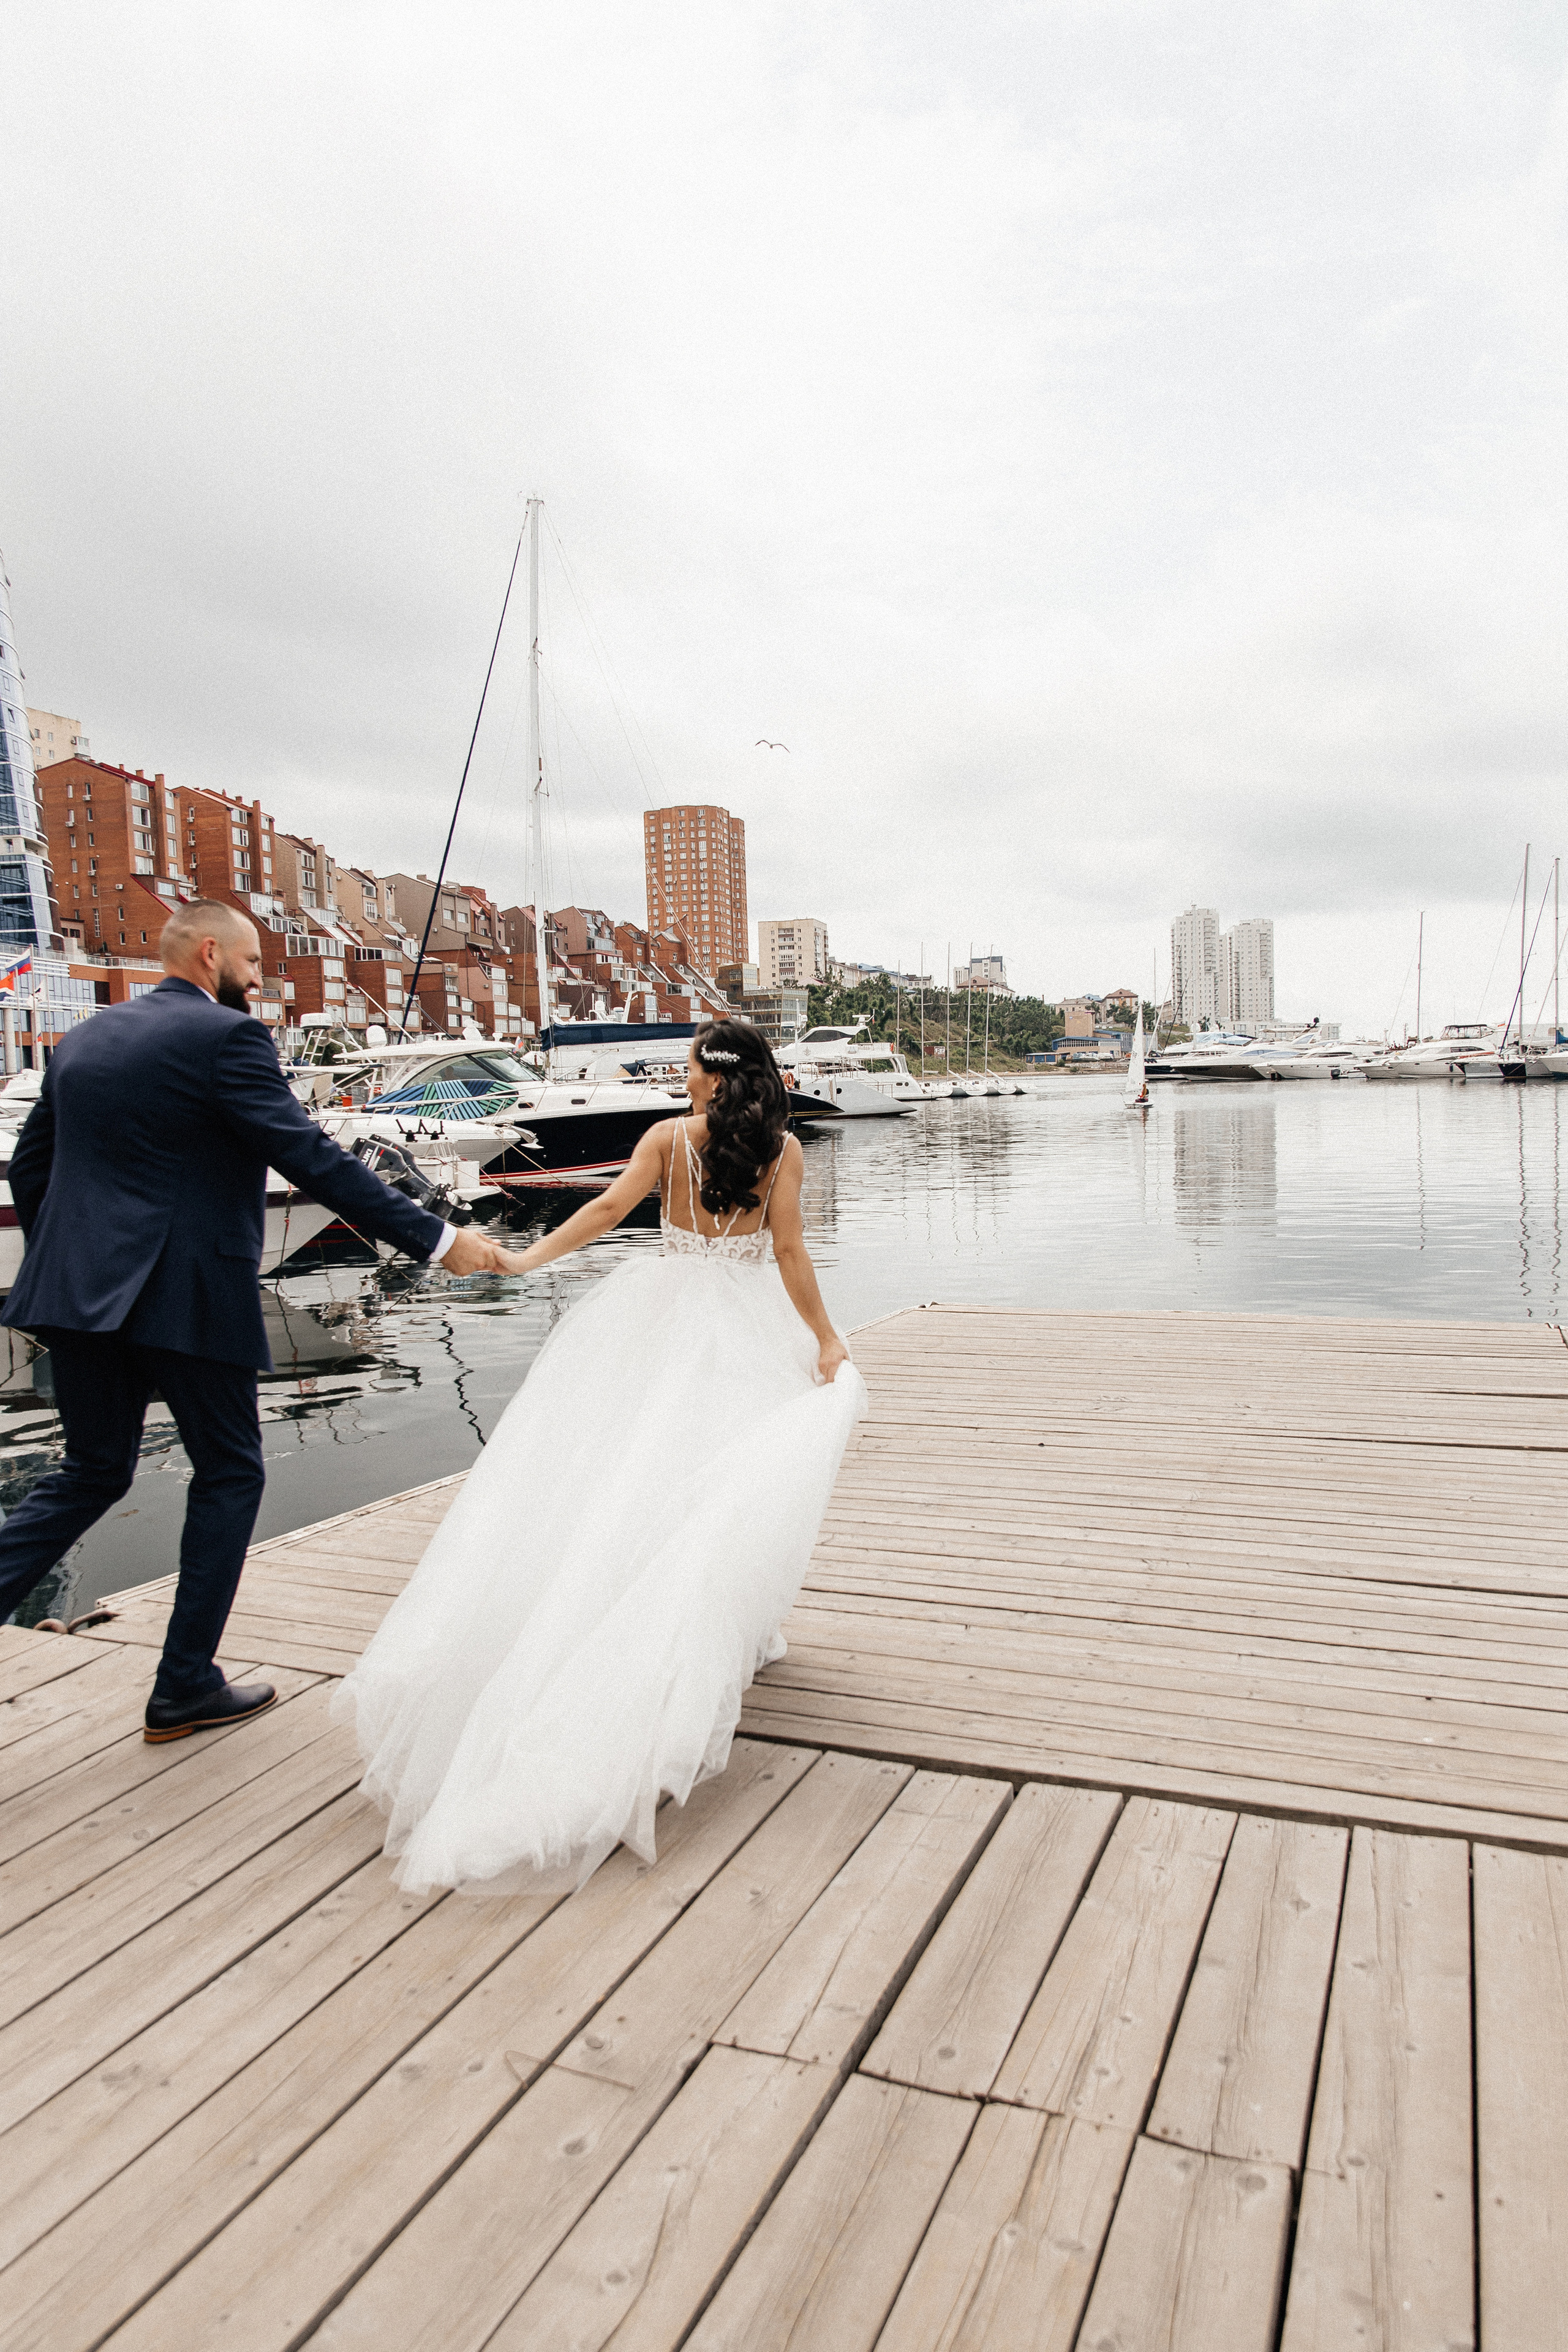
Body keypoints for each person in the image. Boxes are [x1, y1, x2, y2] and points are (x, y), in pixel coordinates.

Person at [336, 1017, 865, 1896]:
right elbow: (788, 1252)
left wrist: (525, 1260)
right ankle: (714, 1628)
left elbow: (608, 1210)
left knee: (633, 1480)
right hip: (743, 1327)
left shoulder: (665, 1139)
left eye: (689, 1066)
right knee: (720, 1490)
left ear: (708, 1078)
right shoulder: (781, 1152)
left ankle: (658, 1618)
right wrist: (825, 1339)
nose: (681, 1076)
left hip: (656, 1316)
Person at [0, 899, 507, 1741]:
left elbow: (29, 1166)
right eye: (252, 965)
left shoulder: (85, 1040)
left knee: (90, 1473)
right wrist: (435, 1238)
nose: (259, 980)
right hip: (186, 1293)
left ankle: (180, 1680)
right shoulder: (227, 1040)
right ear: (209, 955)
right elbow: (305, 1155)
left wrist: (68, 1254)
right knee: (231, 1472)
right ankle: (184, 1686)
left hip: (78, 1294)